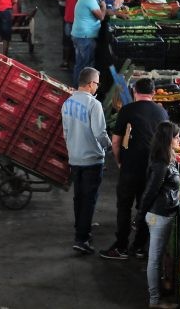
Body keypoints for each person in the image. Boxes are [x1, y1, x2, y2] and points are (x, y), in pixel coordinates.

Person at [99, 78, 168, 261]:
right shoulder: (162, 112)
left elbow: (115, 141)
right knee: (144, 207)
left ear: (135, 92)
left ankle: (121, 247)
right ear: (153, 93)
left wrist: (119, 160)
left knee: (124, 206)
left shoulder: (127, 110)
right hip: (152, 170)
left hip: (130, 167)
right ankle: (138, 248)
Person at [62, 67, 111, 254]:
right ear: (91, 84)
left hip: (75, 159)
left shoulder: (67, 103)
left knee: (79, 197)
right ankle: (82, 239)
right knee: (89, 199)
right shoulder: (93, 104)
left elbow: (65, 133)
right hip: (92, 159)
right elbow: (100, 133)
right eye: (97, 83)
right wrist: (108, 146)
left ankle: (80, 231)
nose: (97, 87)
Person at [134, 121, 180, 309]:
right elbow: (150, 191)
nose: (179, 139)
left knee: (159, 257)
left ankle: (159, 293)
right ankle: (154, 300)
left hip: (163, 213)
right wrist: (140, 215)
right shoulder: (161, 164)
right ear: (169, 139)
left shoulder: (167, 158)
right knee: (154, 258)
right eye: (177, 136)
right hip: (158, 215)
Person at [71, 0, 104, 87]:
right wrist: (103, 6)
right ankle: (82, 90)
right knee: (86, 67)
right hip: (85, 37)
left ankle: (75, 88)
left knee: (80, 65)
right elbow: (101, 16)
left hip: (79, 35)